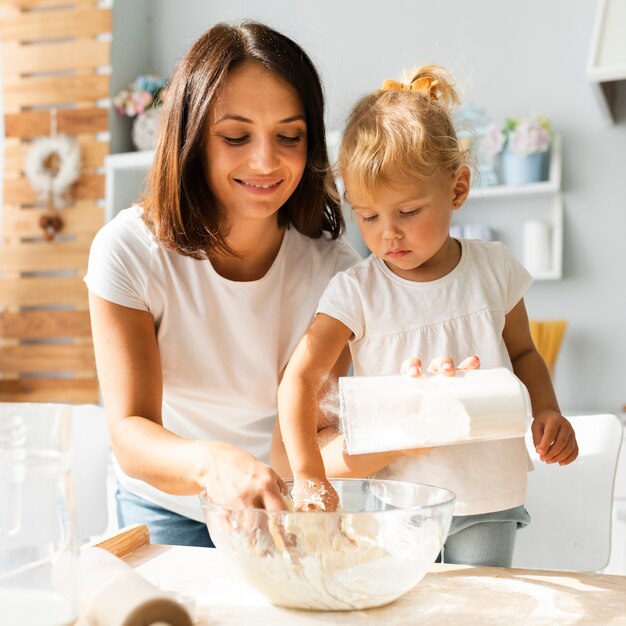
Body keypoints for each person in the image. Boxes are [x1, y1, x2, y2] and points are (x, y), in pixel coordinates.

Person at [274, 64, 578, 566]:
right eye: (368, 216)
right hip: (401, 502)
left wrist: (547, 410)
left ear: (457, 190)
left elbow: (524, 353)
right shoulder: (357, 290)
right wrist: (309, 474)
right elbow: (298, 380)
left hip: (490, 494)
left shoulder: (494, 268)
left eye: (408, 212)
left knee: (479, 610)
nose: (387, 234)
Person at [84, 22, 362, 547]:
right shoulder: (129, 251)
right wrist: (213, 464)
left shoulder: (335, 273)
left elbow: (297, 435)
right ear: (190, 139)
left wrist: (293, 501)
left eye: (289, 136)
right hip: (162, 503)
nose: (265, 161)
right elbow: (130, 433)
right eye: (236, 136)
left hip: (273, 502)